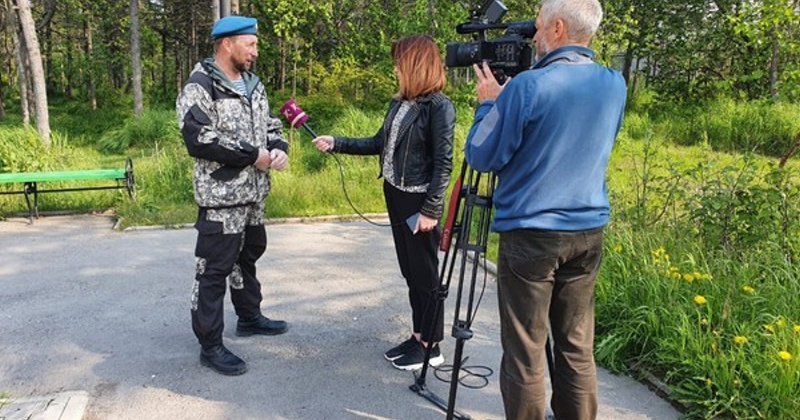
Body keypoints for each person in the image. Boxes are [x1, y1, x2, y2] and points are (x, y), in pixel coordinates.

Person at [464, 0, 627, 418]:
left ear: (557, 28)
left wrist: (488, 104)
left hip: (532, 233)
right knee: (576, 344)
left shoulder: (527, 86)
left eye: (537, 27)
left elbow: (483, 155)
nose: (533, 36)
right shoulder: (614, 83)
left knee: (525, 348)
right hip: (588, 231)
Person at [312, 35, 455, 371]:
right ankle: (418, 334)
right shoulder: (400, 103)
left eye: (400, 61)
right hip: (396, 195)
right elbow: (380, 143)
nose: (395, 67)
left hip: (419, 200)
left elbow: (443, 163)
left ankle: (432, 346)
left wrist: (432, 209)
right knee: (410, 272)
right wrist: (338, 143)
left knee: (426, 274)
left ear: (416, 64)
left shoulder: (439, 107)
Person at [176, 15, 290, 376]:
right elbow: (199, 137)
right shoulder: (200, 85)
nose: (255, 52)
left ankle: (250, 316)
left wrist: (278, 147)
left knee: (249, 257)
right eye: (250, 44)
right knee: (213, 271)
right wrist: (251, 155)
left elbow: (270, 124)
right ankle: (210, 345)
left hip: (254, 196)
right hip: (222, 199)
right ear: (227, 44)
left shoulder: (253, 85)